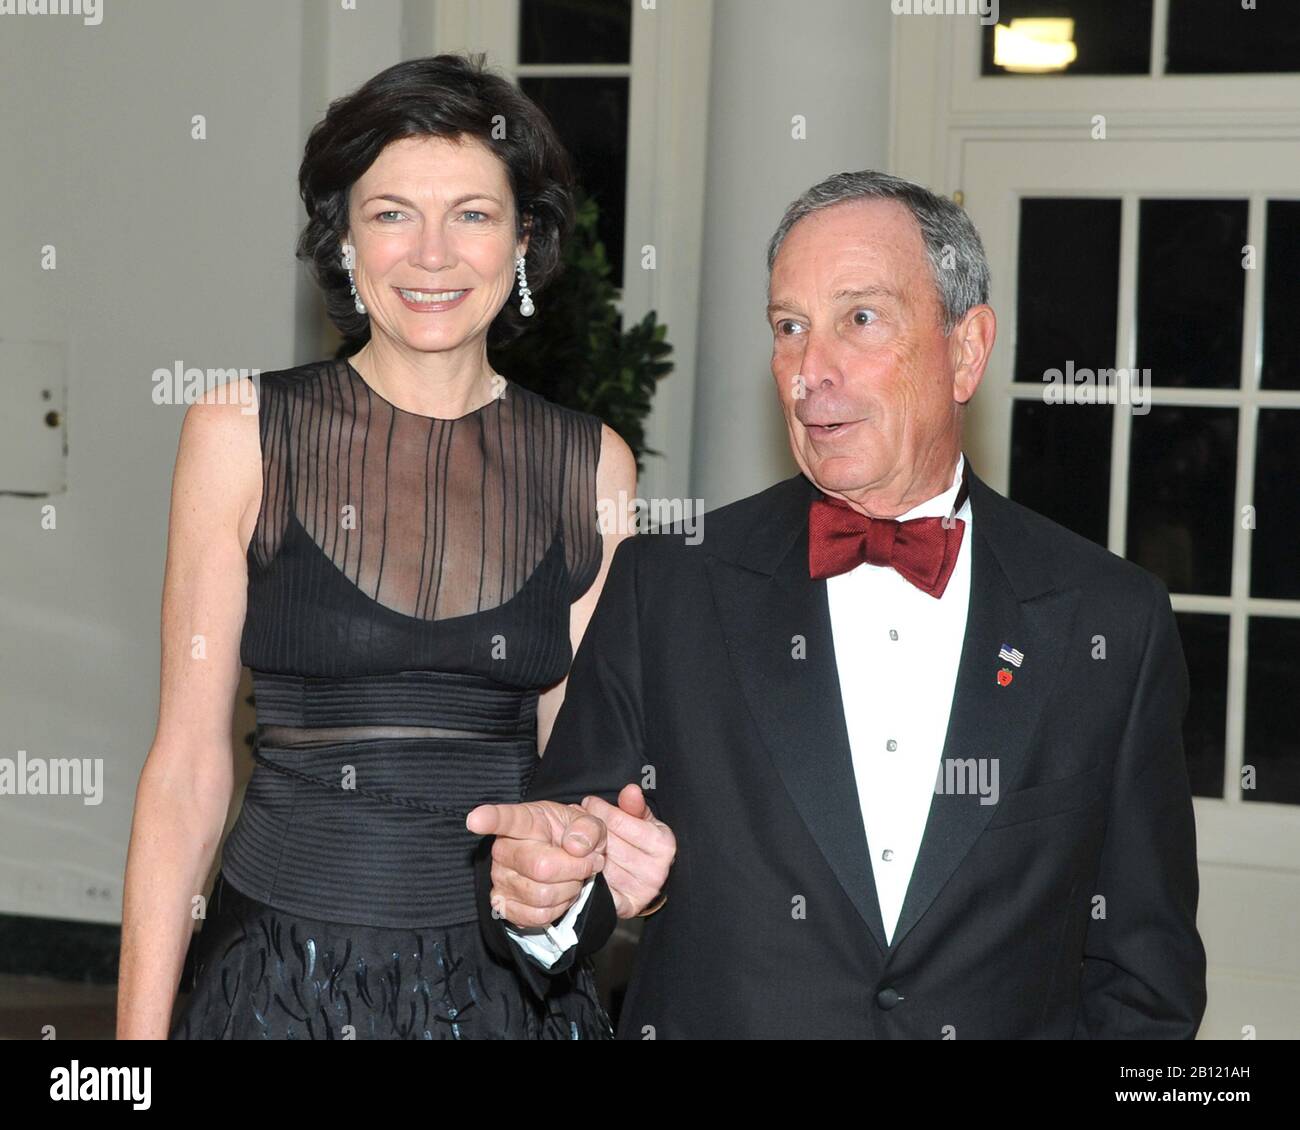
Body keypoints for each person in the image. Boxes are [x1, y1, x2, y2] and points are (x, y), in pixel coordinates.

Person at [470, 170, 1208, 1039]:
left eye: (859, 319)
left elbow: (1144, 977)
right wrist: (546, 901)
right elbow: (564, 883)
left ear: (966, 349)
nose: (809, 371)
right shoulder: (666, 588)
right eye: (790, 328)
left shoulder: (1107, 618)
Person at [116, 53, 639, 1040]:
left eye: (474, 215)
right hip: (274, 984)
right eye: (392, 213)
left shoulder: (595, 470)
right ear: (345, 243)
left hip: (506, 997)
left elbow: (577, 785)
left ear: (524, 241)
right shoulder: (239, 435)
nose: (431, 255)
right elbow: (185, 772)